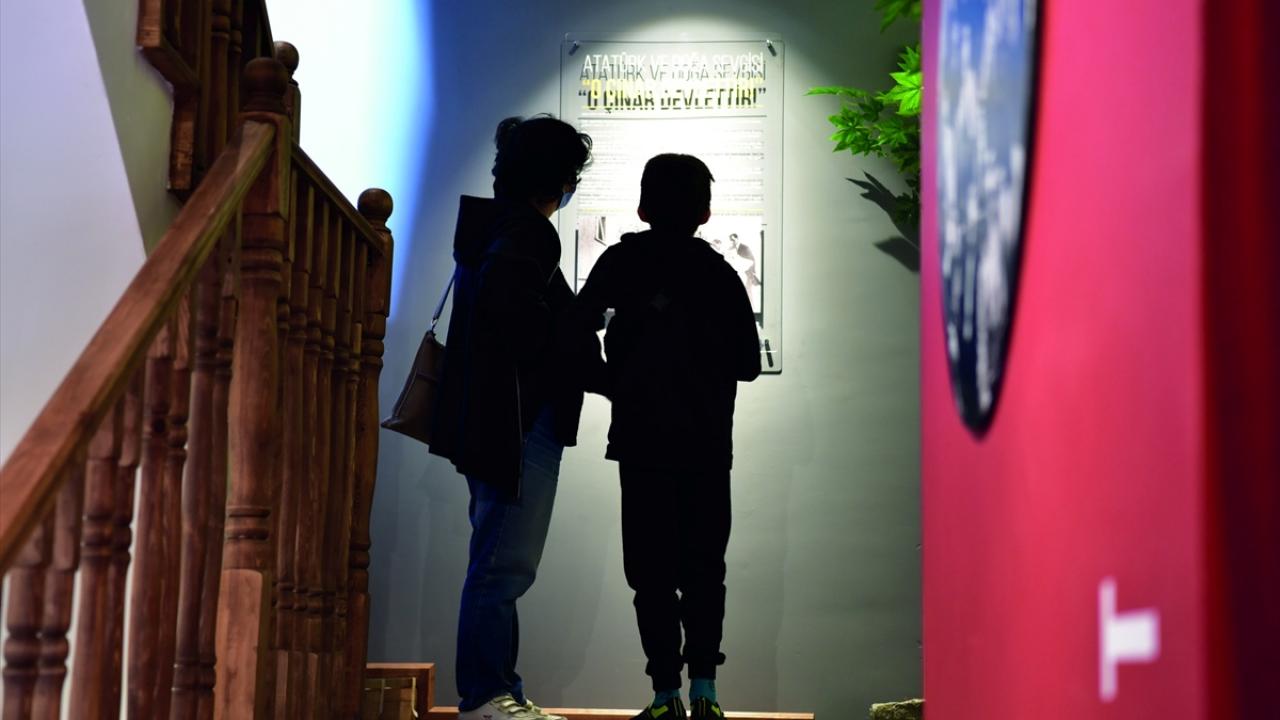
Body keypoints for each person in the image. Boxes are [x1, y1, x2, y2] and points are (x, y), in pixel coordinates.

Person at [569, 154, 762, 720]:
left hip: (641, 442)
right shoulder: (720, 274)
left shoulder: (622, 260)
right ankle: (706, 693)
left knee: (650, 573)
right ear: (705, 212)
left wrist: (612, 382)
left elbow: (575, 327)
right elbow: (749, 365)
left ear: (642, 206)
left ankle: (663, 696)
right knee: (705, 569)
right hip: (707, 445)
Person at [429, 115, 592, 720]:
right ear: (558, 179)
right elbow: (520, 322)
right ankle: (486, 697)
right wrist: (577, 338)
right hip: (518, 422)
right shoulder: (527, 234)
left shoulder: (491, 229)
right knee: (503, 566)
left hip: (491, 419)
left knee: (499, 561)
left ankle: (502, 691)